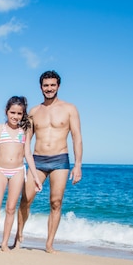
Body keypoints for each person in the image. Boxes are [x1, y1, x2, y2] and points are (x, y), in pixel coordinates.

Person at [15, 70, 82, 253]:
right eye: (46, 85)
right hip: (37, 160)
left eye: (52, 85)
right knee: (25, 200)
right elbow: (26, 141)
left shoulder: (70, 109)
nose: (49, 88)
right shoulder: (34, 111)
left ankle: (49, 244)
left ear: (58, 86)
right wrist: (18, 162)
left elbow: (77, 137)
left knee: (56, 202)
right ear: (41, 87)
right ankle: (18, 238)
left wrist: (78, 165)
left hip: (60, 159)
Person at [0, 96, 42, 252]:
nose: (15, 116)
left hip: (18, 171)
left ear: (23, 114)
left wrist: (35, 177)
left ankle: (5, 243)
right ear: (6, 112)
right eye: (12, 112)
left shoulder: (24, 131)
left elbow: (28, 154)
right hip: (0, 170)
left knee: (11, 208)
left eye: (19, 113)